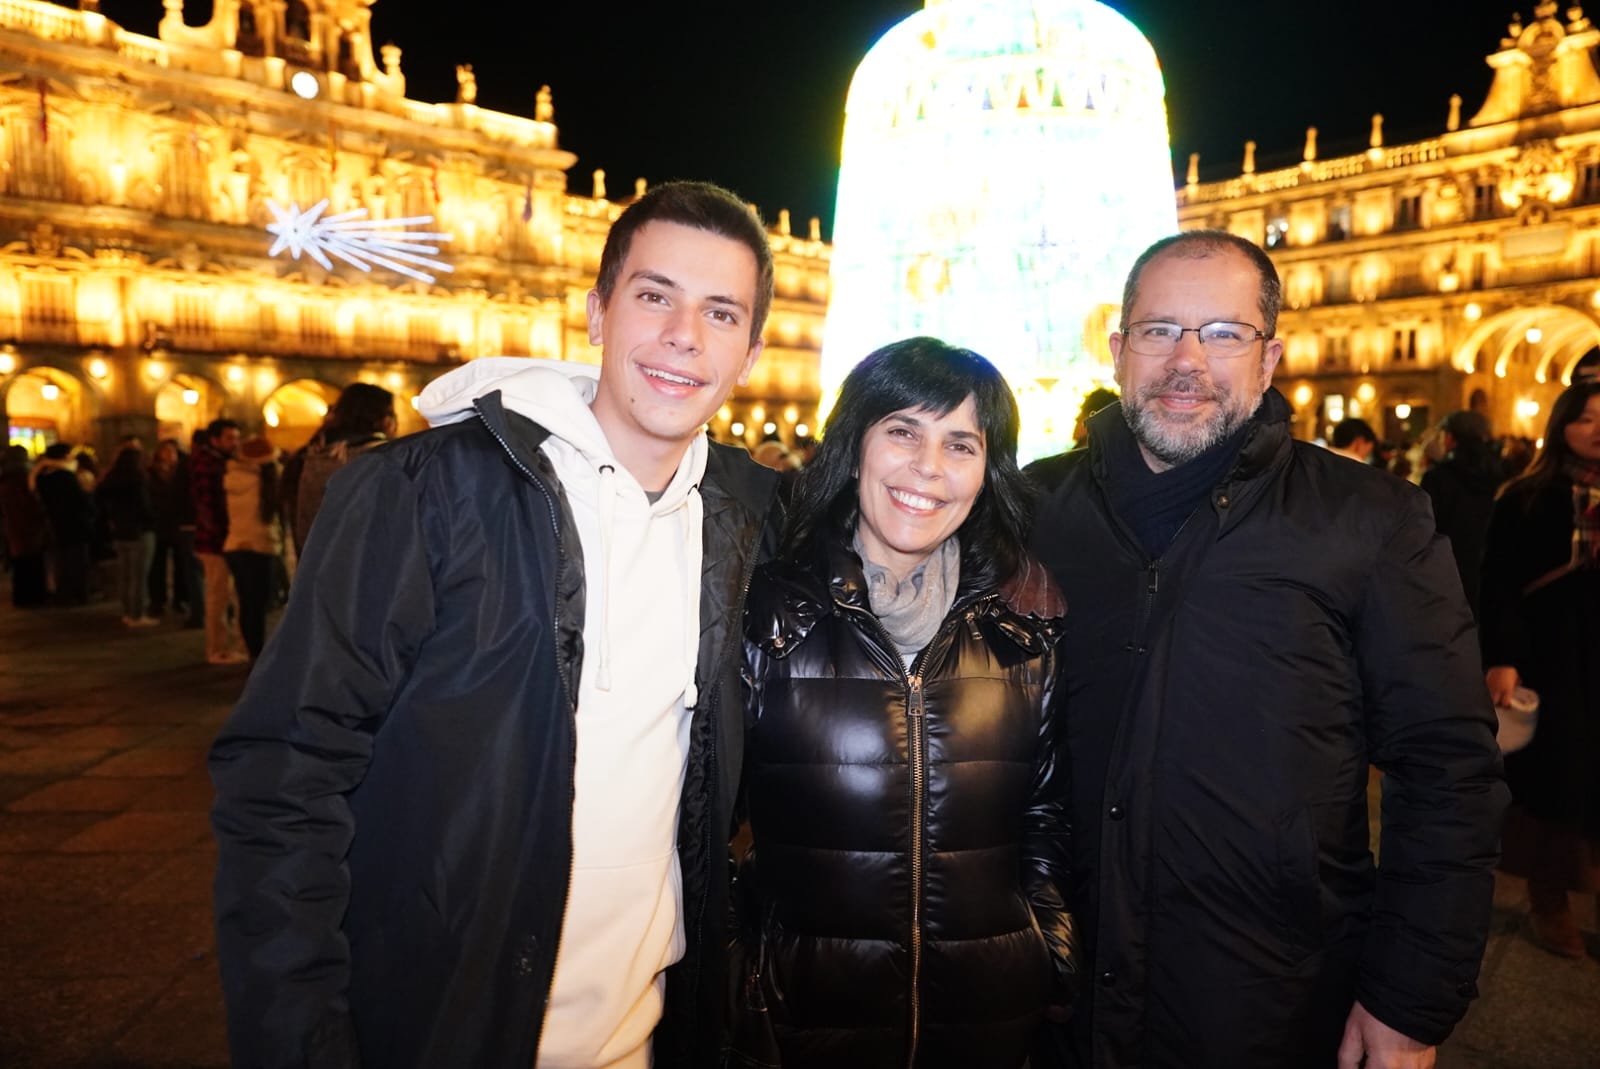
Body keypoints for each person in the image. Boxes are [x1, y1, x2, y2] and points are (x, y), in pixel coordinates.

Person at [210, 180, 781, 1069]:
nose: (683, 335)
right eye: (654, 296)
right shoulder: (421, 491)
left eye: (720, 313)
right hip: (438, 1027)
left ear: (748, 352)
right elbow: (285, 772)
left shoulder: (746, 521)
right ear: (596, 313)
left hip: (642, 1035)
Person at [1026, 230, 1507, 1069]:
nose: (1188, 360)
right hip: (1052, 992)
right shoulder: (1033, 508)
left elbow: (1447, 769)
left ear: (1270, 357)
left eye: (1223, 333)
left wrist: (1407, 1000)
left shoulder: (1372, 520)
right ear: (1117, 350)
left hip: (1269, 1002)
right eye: (1159, 330)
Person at [732, 338, 1074, 1068]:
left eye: (961, 443)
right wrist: (745, 976)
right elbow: (699, 825)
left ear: (987, 473)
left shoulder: (1024, 630)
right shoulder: (770, 619)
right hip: (801, 1029)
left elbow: (1044, 821)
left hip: (992, 1027)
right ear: (855, 444)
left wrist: (1051, 956)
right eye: (902, 431)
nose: (929, 466)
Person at [1479, 380, 1600, 960]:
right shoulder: (1527, 496)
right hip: (1555, 656)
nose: (1597, 429)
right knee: (1562, 778)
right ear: (1561, 427)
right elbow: (1498, 585)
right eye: (1586, 419)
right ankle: (1549, 899)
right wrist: (1502, 658)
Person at [280, 382, 397, 556]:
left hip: (315, 568)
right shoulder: (385, 458)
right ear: (385, 420)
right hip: (369, 569)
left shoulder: (308, 456)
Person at [1420, 410, 1503, 619]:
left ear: (1449, 438)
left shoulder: (1438, 477)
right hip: (1492, 571)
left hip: (1450, 572)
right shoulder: (1502, 472)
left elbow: (1425, 527)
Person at [192, 418, 248, 664]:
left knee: (233, 595)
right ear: (215, 440)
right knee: (217, 595)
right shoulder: (207, 464)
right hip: (215, 542)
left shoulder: (225, 461)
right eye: (229, 438)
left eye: (237, 437)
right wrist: (219, 534)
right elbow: (205, 505)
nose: (234, 443)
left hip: (230, 538)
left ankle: (234, 645)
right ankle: (217, 649)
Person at [222, 436, 283, 660]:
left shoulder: (231, 477)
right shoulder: (265, 480)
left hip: (235, 545)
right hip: (260, 545)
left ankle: (253, 653)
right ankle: (261, 654)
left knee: (247, 604)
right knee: (262, 604)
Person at [95, 442, 159, 626]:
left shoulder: (110, 480)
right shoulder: (137, 480)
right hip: (139, 531)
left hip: (119, 531)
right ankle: (137, 613)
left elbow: (99, 503)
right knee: (139, 575)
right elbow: (144, 507)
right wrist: (153, 520)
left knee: (125, 573)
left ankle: (127, 611)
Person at [32, 442, 95, 605]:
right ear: (65, 456)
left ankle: (64, 593)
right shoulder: (66, 476)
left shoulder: (44, 476)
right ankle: (78, 594)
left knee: (61, 560)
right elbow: (80, 501)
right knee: (77, 561)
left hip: (56, 524)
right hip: (74, 524)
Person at [147, 438, 198, 621]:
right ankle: (157, 601)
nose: (169, 455)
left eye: (173, 452)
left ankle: (180, 599)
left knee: (181, 565)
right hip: (159, 525)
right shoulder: (151, 473)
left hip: (177, 524)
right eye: (166, 451)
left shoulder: (182, 472)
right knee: (157, 565)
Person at [0, 445, 49, 607]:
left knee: (21, 564)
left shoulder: (6, 479)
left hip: (13, 527)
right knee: (30, 563)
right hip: (27, 528)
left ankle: (23, 597)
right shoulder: (21, 479)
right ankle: (33, 596)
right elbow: (28, 504)